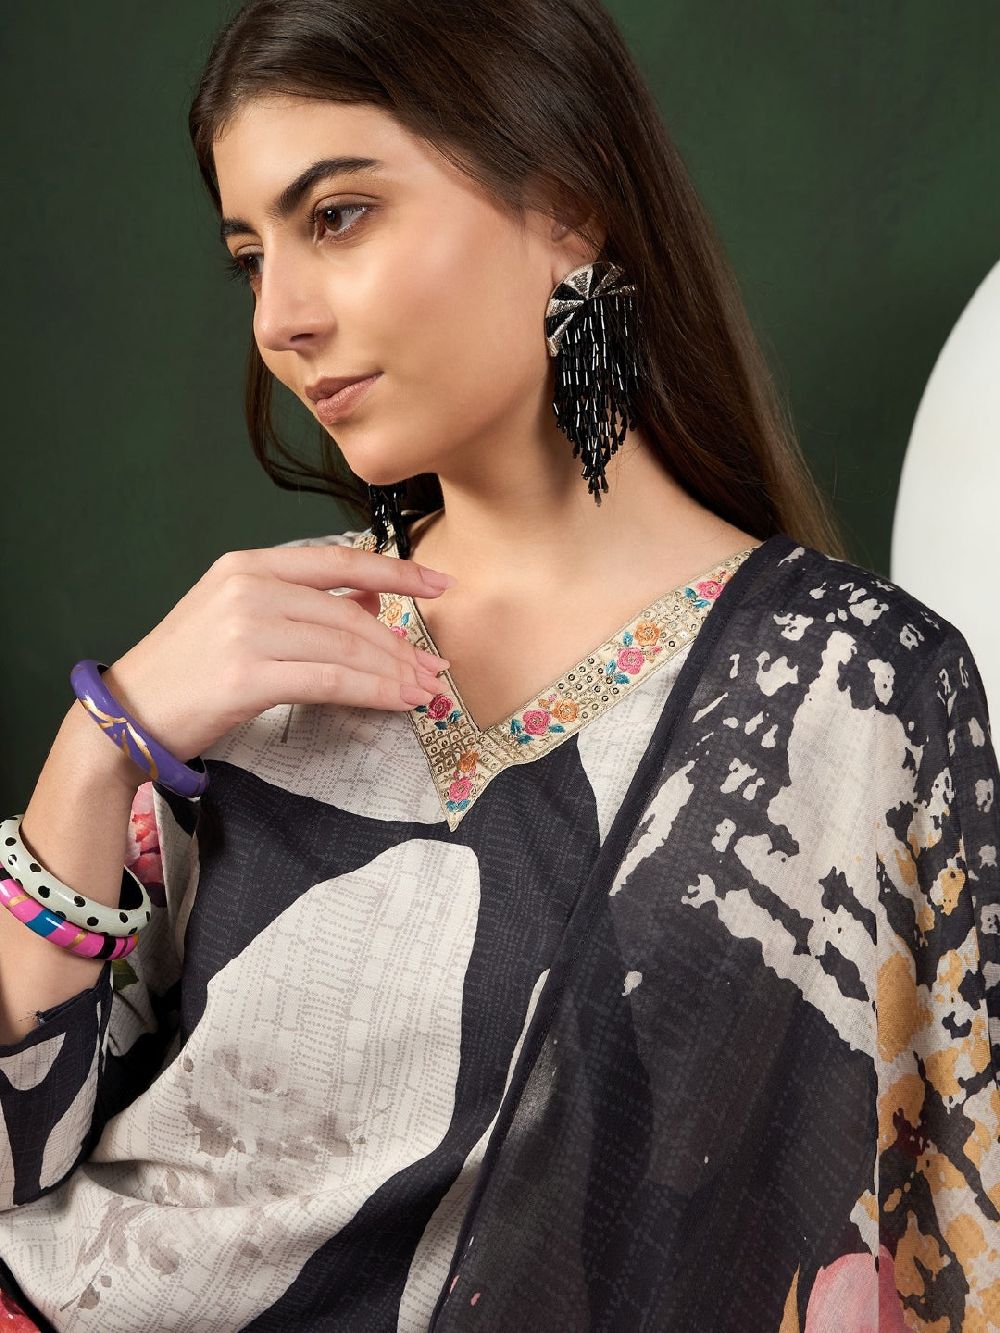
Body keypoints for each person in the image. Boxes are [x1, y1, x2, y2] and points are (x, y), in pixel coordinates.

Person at [1, 0, 997, 1329]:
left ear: (567, 206)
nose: (279, 319)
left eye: (337, 216)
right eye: (249, 257)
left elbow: (947, 1236)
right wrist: (96, 751)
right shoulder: (252, 647)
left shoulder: (852, 692)